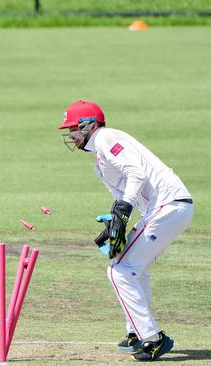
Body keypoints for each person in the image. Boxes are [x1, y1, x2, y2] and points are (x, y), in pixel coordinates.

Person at [58, 100, 194, 362]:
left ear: (90, 125)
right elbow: (121, 194)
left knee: (119, 272)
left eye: (74, 128)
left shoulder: (106, 137)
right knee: (126, 264)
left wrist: (124, 209)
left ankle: (153, 339)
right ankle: (135, 332)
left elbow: (136, 174)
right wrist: (115, 222)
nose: (71, 135)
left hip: (168, 207)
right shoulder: (99, 158)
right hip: (161, 210)